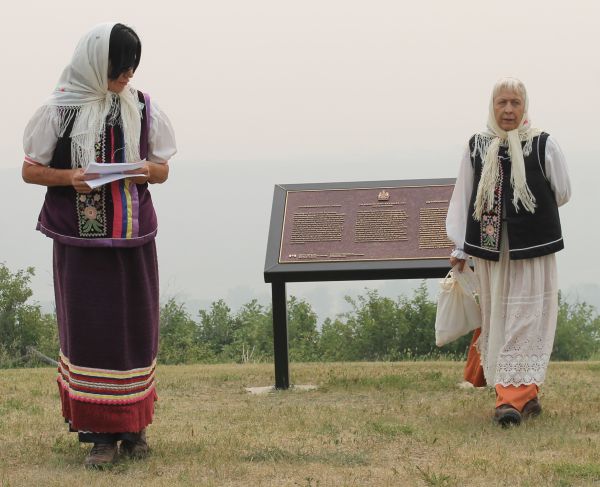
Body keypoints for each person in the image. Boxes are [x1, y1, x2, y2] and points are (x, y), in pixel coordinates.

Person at [22, 23, 176, 466]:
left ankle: (134, 427)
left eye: (132, 66)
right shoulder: (60, 110)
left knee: (135, 327)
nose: (128, 75)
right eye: (120, 67)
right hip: (80, 238)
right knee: (91, 331)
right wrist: (70, 177)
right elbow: (30, 170)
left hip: (132, 234)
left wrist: (143, 169)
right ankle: (100, 436)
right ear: (95, 63)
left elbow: (162, 170)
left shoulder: (143, 107)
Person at [446, 77, 570, 426]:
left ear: (524, 106)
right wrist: (460, 246)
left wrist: (527, 213)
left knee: (527, 318)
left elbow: (561, 191)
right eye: (502, 103)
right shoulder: (477, 146)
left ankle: (511, 400)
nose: (508, 110)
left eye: (515, 103)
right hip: (490, 252)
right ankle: (523, 395)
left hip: (533, 251)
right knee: (499, 317)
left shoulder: (543, 144)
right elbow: (464, 196)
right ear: (492, 106)